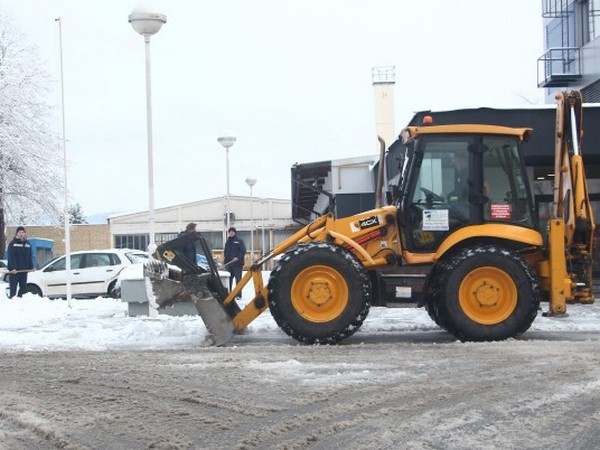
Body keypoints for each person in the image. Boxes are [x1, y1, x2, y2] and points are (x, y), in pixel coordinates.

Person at [6, 226, 34, 298]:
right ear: (17, 233)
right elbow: (11, 257)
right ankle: (13, 301)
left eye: (22, 232)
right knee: (13, 289)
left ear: (25, 233)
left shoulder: (28, 244)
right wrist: (12, 268)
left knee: (24, 289)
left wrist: (31, 267)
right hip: (14, 271)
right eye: (19, 232)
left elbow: (30, 257)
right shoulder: (13, 244)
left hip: (23, 271)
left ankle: (21, 302)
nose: (21, 234)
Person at [223, 227, 246, 298]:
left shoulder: (239, 241)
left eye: (232, 232)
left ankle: (238, 295)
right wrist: (225, 260)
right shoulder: (227, 242)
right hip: (229, 264)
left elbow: (243, 251)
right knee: (228, 279)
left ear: (235, 233)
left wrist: (238, 257)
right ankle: (229, 294)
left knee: (238, 279)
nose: (231, 233)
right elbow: (226, 252)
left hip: (237, 264)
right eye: (230, 232)